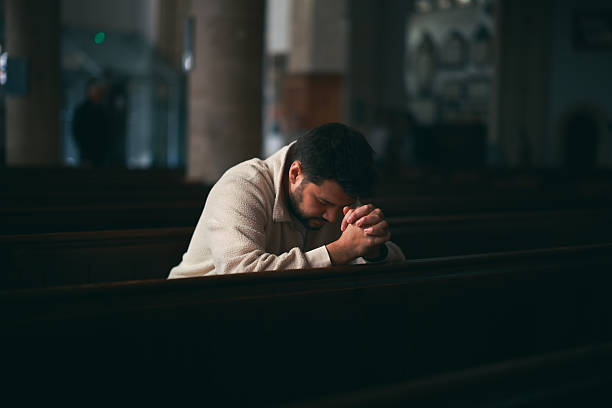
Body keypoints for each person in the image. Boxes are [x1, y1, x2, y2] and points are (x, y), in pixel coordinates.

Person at [168, 122, 405, 278]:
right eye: (324, 202)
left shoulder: (339, 188)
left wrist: (373, 249)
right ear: (295, 173)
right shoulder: (242, 185)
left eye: (342, 205)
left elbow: (395, 260)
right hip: (188, 312)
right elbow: (238, 273)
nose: (332, 216)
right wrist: (338, 252)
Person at [72, 79, 111, 167]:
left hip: (101, 156)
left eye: (98, 91)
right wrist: (85, 151)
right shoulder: (82, 111)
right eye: (94, 91)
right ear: (88, 91)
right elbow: (77, 132)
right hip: (87, 154)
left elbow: (107, 133)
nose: (97, 94)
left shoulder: (103, 111)